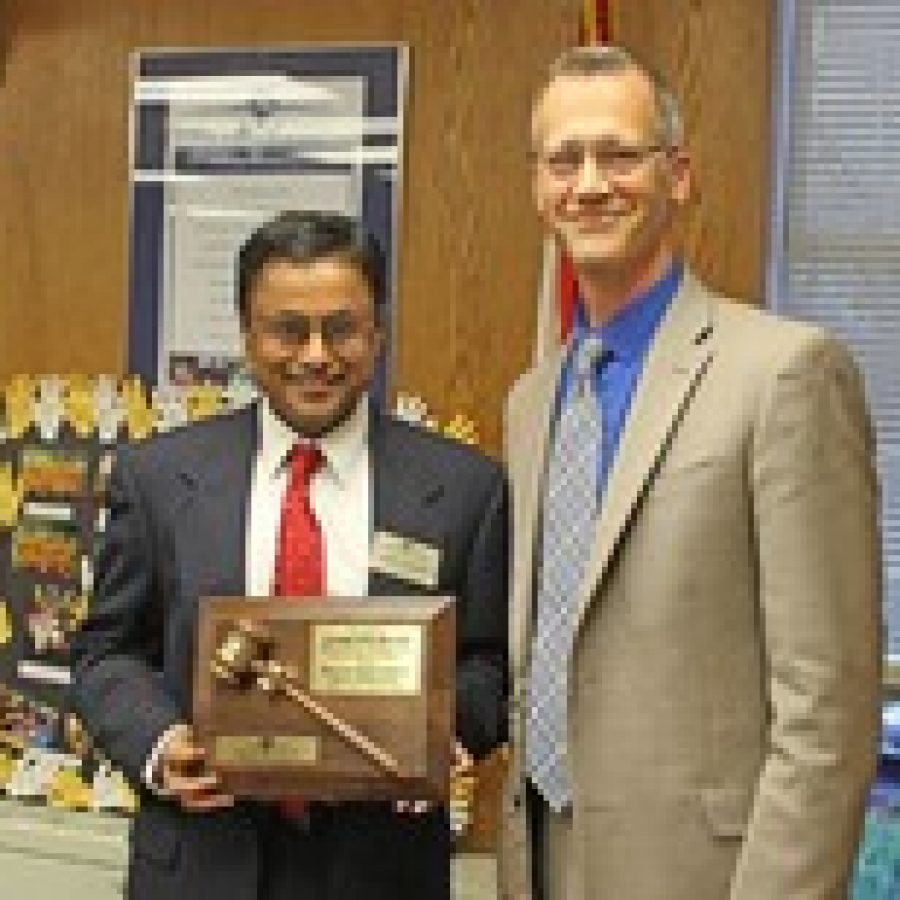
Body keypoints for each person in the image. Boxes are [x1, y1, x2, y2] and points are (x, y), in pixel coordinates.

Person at [500, 44, 881, 900]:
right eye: (564, 160)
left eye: (619, 155)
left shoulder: (785, 374)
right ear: (537, 187)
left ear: (678, 176)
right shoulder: (531, 402)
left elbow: (827, 709)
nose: (589, 184)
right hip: (543, 863)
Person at [71, 210, 509, 900]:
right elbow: (107, 652)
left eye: (342, 328)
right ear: (248, 339)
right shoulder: (157, 478)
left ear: (377, 331)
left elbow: (486, 661)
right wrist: (159, 745)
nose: (315, 354)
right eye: (287, 329)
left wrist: (444, 732)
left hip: (382, 869)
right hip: (199, 862)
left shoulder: (463, 488)